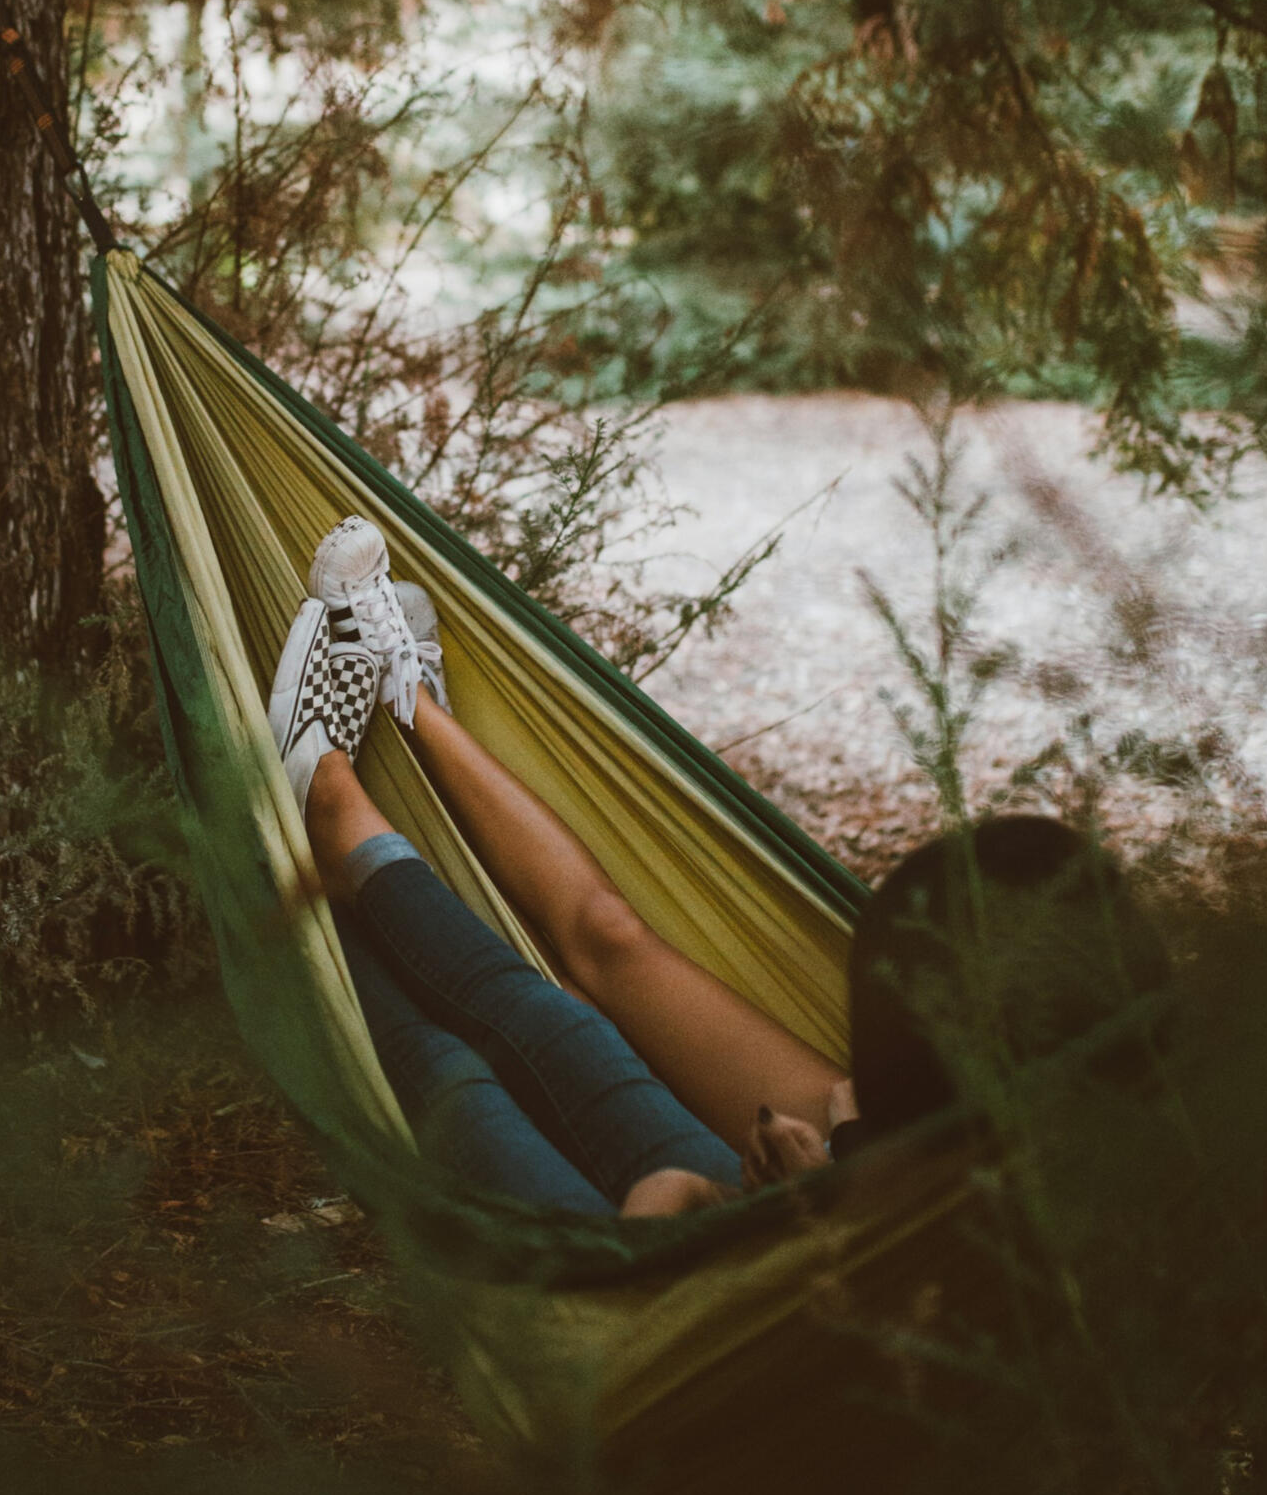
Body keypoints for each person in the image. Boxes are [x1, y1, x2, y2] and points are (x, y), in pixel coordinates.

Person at [267, 516, 1165, 1220]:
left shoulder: (1054, 1285)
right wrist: (845, 1157)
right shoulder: (1135, 1141)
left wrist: (758, 1210)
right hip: (885, 1170)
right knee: (605, 951)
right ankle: (413, 706)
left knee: (455, 1067)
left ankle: (325, 808)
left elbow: (669, 1227)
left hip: (701, 1278)